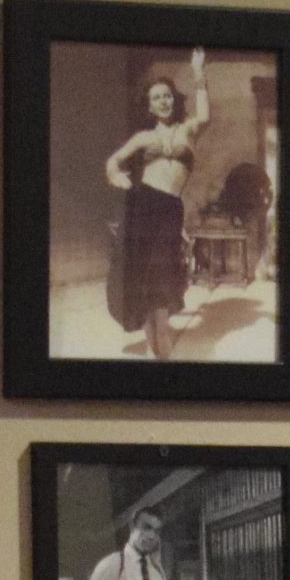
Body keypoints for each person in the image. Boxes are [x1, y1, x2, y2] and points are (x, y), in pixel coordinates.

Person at [103, 50, 207, 360]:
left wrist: (199, 74)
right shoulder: (143, 137)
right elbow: (113, 160)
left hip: (169, 210)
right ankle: (155, 347)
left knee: (163, 275)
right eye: (156, 97)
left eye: (167, 96)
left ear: (173, 99)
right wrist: (113, 172)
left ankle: (159, 341)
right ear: (149, 106)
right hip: (143, 205)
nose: (163, 101)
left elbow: (205, 116)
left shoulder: (188, 130)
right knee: (144, 278)